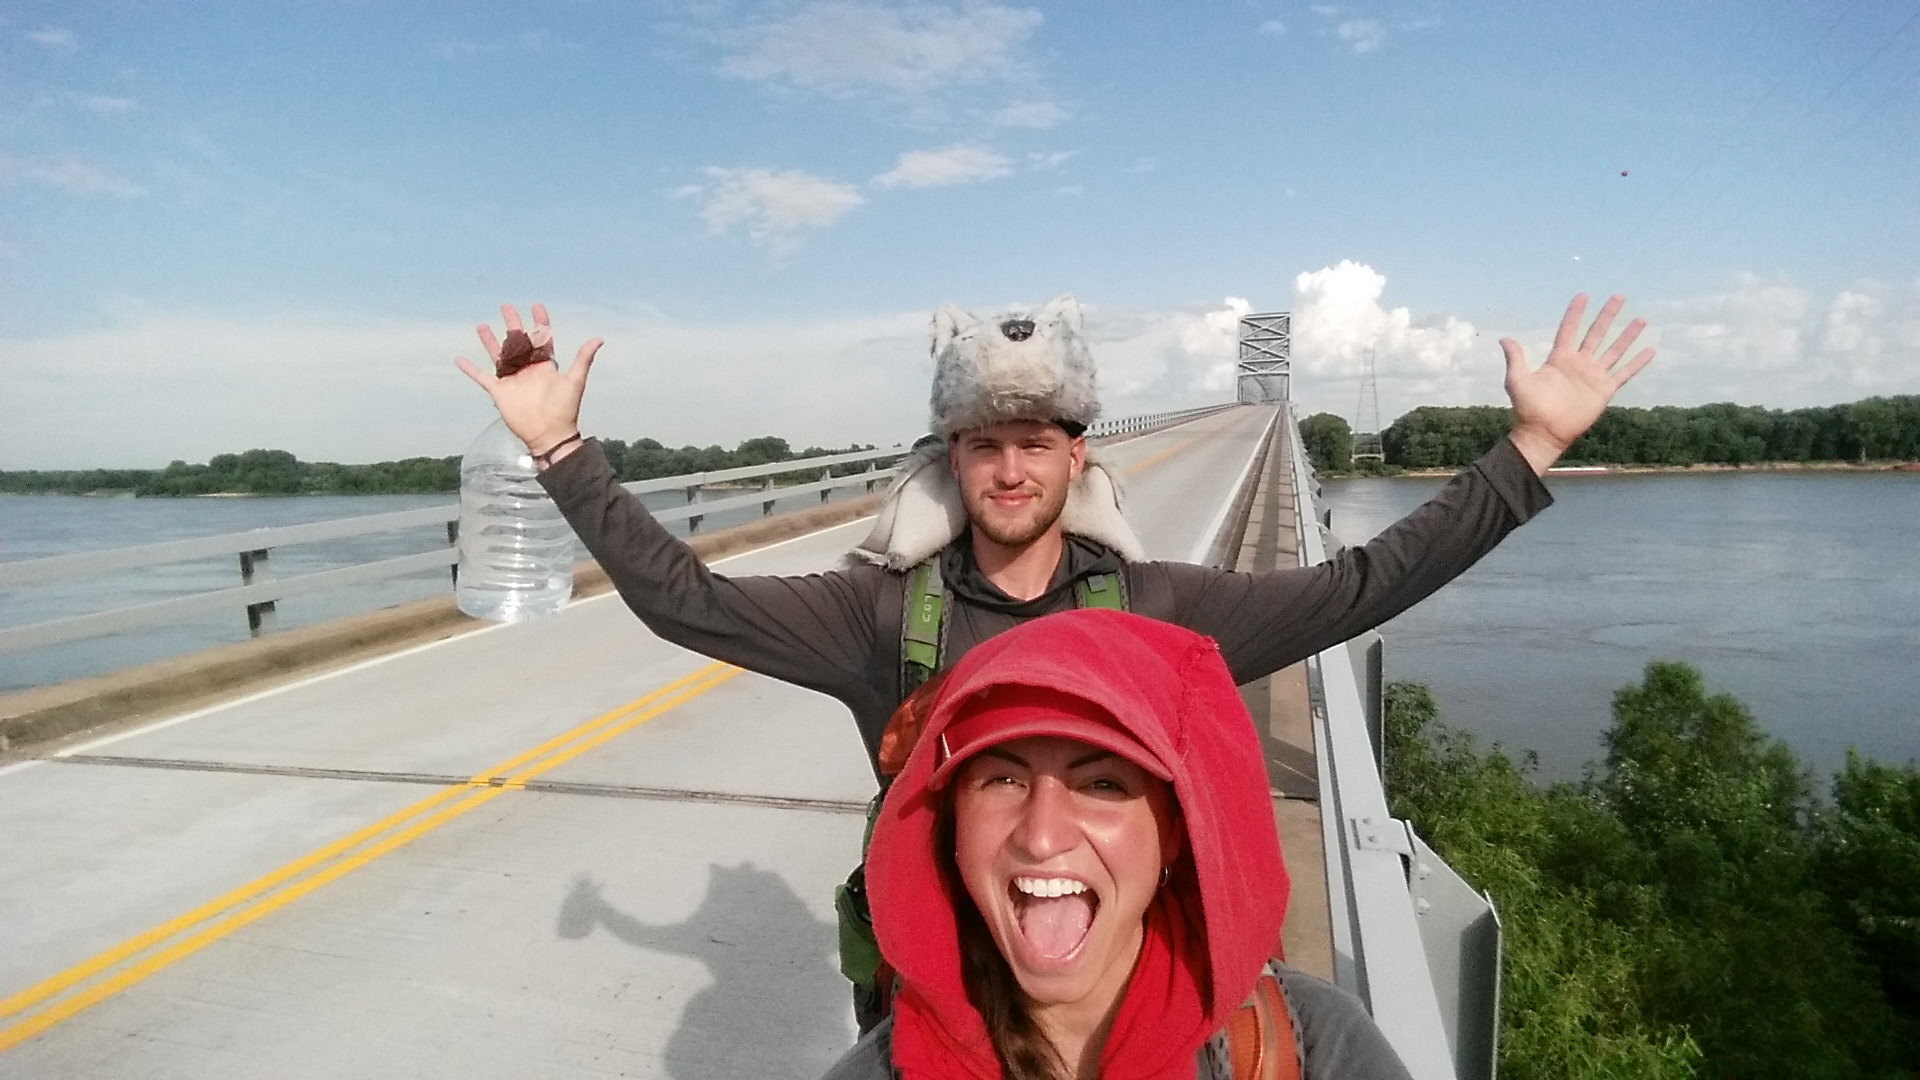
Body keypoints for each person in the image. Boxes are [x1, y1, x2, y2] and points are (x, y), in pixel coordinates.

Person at [455, 290, 1653, 1026]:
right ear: (952, 459)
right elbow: (688, 603)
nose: (1011, 468)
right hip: (937, 1005)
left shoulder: (1158, 608)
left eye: (1036, 442)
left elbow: (1357, 587)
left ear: (1079, 455)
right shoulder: (886, 614)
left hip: (1120, 1004)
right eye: (986, 445)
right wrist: (561, 450)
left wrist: (1528, 451)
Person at [823, 607, 1412, 1080]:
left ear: (1175, 833)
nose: (1041, 837)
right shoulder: (886, 1068)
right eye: (1002, 780)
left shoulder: (1313, 1047)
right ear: (952, 828)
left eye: (1102, 784)